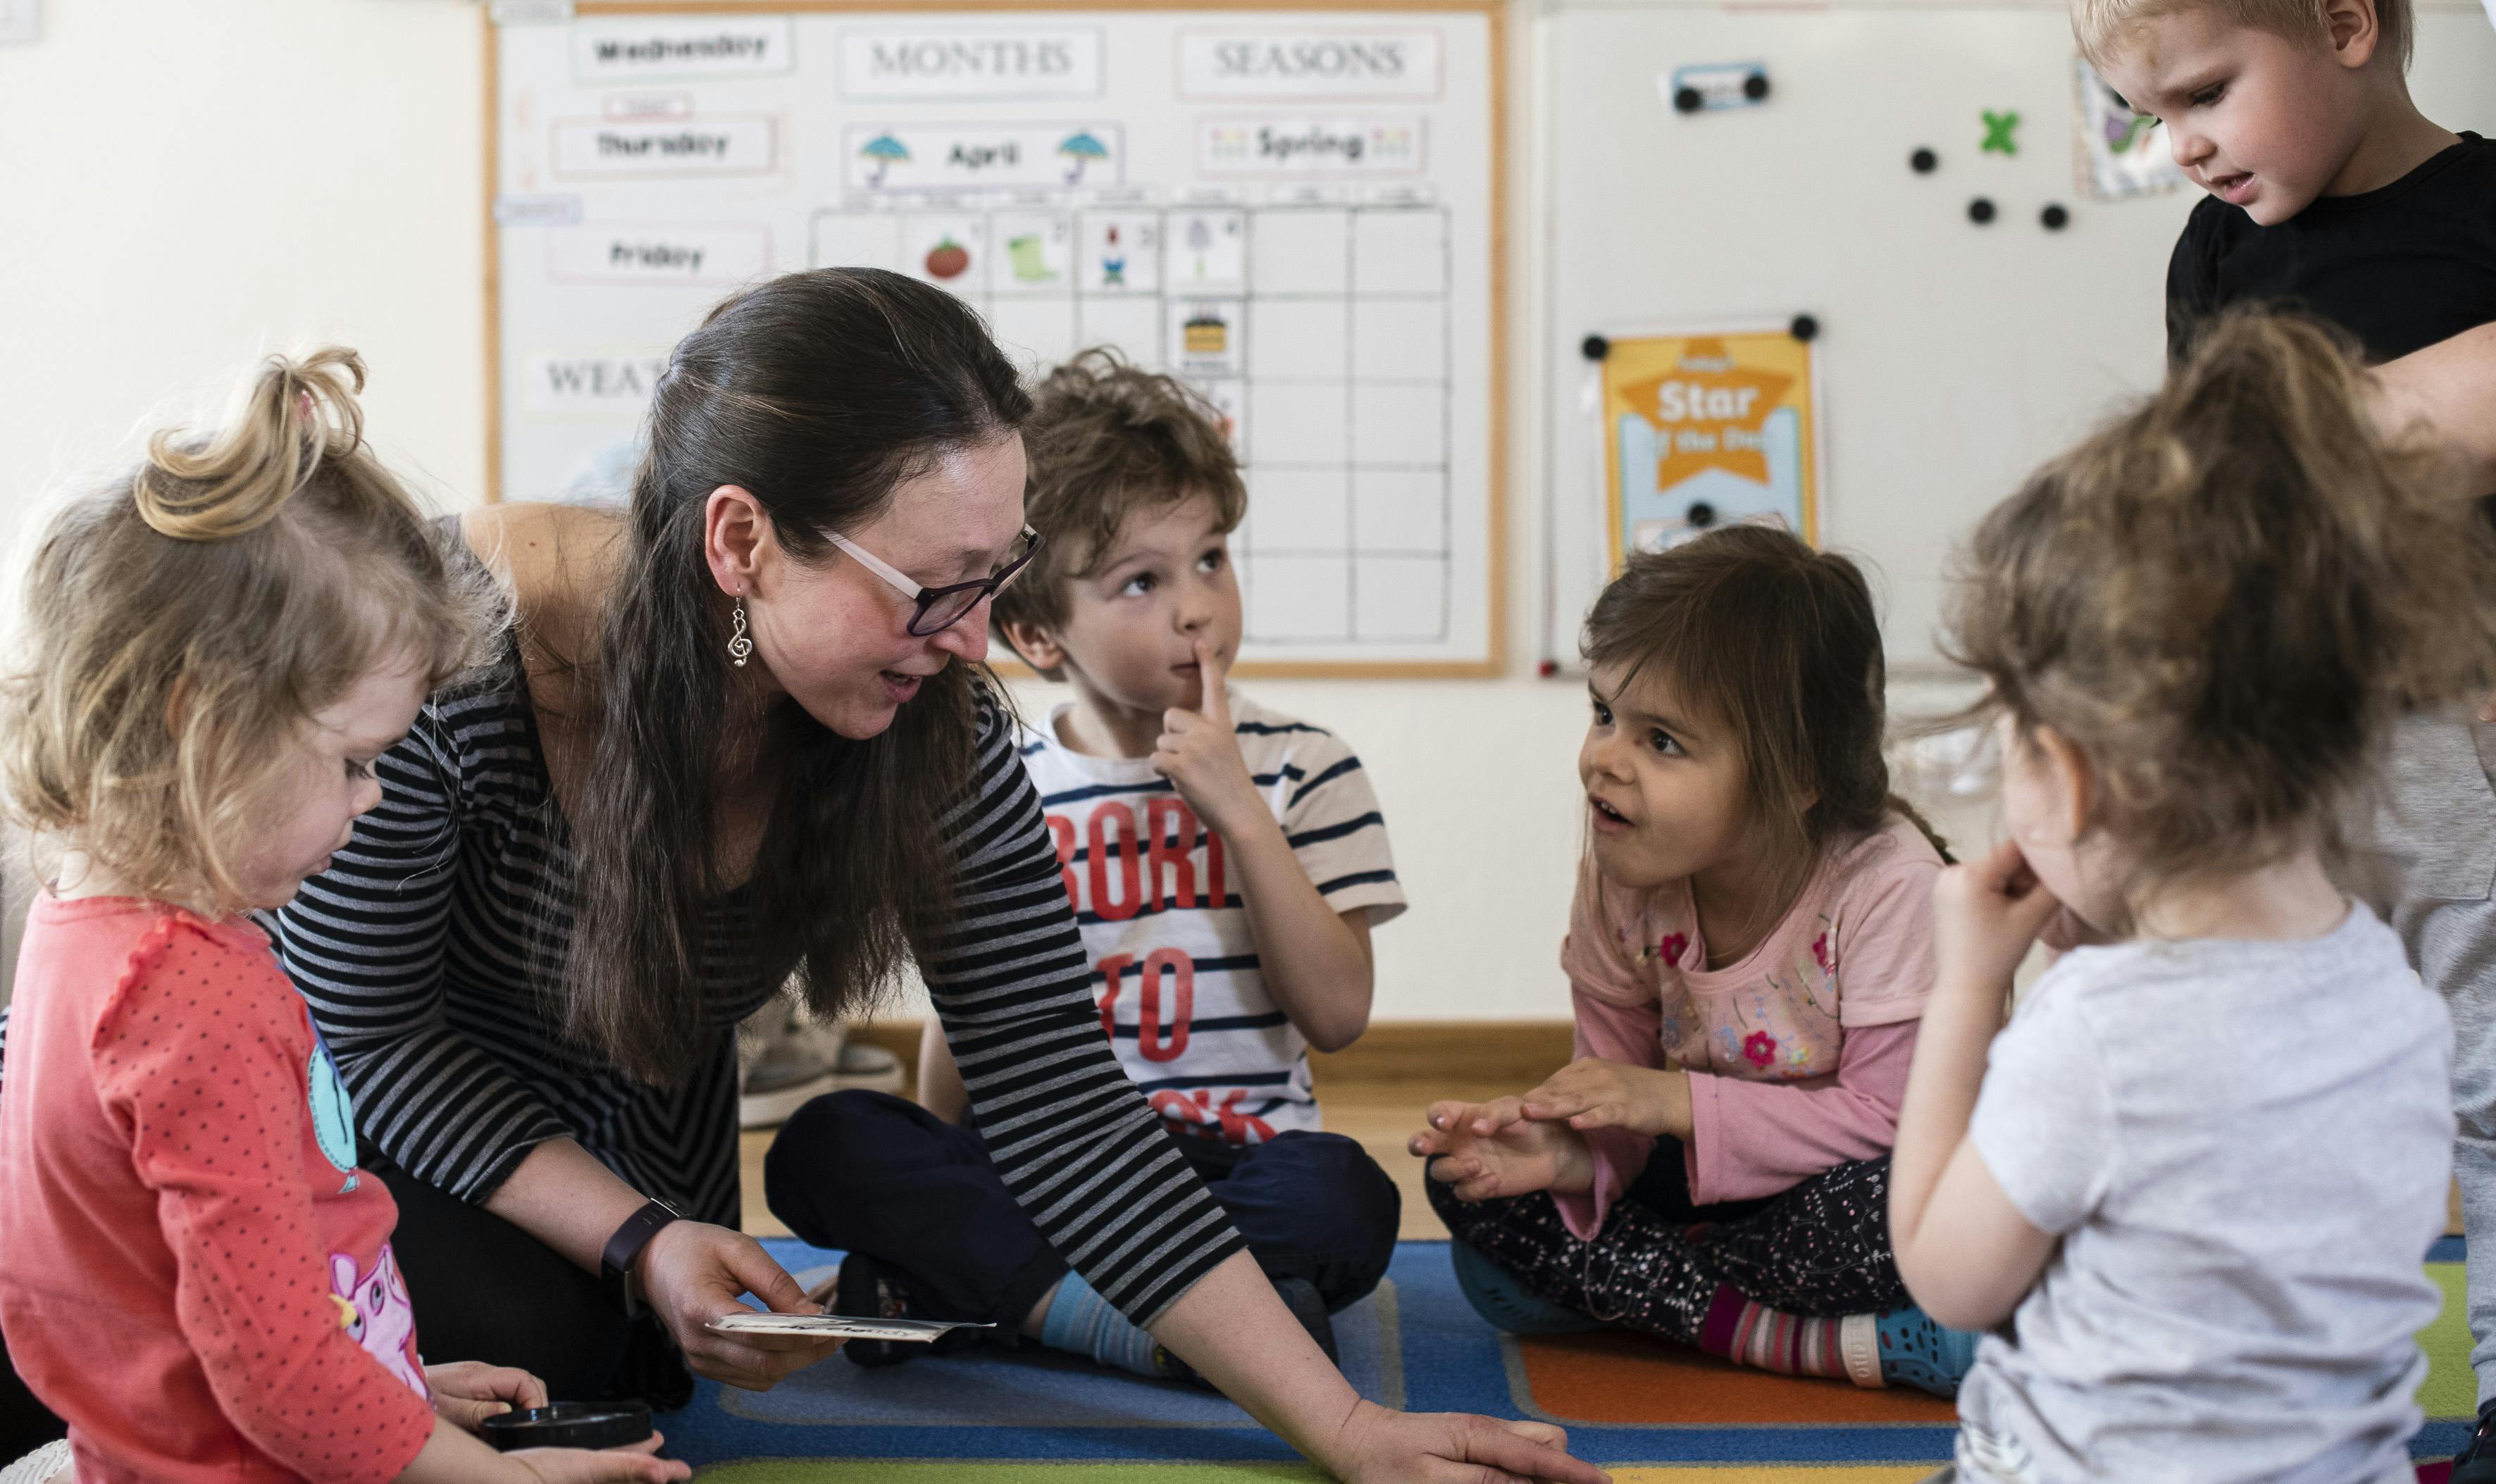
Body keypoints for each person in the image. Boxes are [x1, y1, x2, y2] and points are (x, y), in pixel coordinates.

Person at [270, 269, 1604, 1484]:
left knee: (628, 1376)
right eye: (928, 586)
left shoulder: (931, 719)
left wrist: (1352, 1429)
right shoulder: (452, 659)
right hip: (365, 1120)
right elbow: (370, 1035)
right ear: (741, 543)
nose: (972, 640)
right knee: (508, 1350)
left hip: (637, 1125)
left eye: (996, 575)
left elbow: (1059, 1101)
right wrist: (634, 1236)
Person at [0, 350, 685, 1482]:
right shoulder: (193, 994)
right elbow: (273, 1376)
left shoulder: (86, 925)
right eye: (357, 760)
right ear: (202, 722)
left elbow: (203, 1296)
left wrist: (403, 1383)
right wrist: (504, 1477)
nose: (374, 799)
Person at [1889, 311, 2490, 1483]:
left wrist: (1965, 988)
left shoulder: (2094, 1036)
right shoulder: (2398, 1000)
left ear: (2067, 773)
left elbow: (1947, 1272)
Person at [2075, 0, 2496, 1473]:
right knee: (2288, 1093)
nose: (2175, 138)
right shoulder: (2214, 256)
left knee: (2486, 1081)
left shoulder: (2485, 214)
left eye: (2201, 90)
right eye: (2141, 107)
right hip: (2289, 762)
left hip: (2456, 742)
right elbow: (2210, 522)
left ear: (2344, 20)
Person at [765, 353, 1403, 1383]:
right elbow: (971, 1027)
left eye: (1211, 559)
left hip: (1239, 1165)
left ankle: (994, 1295)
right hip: (1051, 1164)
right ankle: (1162, 1329)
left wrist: (1241, 814)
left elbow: (1334, 1015)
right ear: (1033, 629)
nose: (1197, 607)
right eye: (1141, 581)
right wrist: (936, 1153)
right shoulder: (996, 777)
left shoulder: (1304, 769)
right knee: (827, 1141)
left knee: (1344, 1197)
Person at [1408, 525, 1980, 1395]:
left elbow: (1900, 1125)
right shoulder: (1625, 868)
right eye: (1604, 714)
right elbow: (1609, 1086)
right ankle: (1779, 1329)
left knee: (1897, 1215)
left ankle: (1676, 1303)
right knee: (1472, 1193)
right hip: (1716, 1191)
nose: (1605, 759)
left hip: (1850, 1187)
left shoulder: (1891, 887)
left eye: (1662, 741)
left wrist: (1670, 1099)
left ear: (1796, 778)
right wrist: (1572, 1158)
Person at [2071, 0, 2496, 369]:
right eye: (2158, 119)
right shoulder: (2212, 246)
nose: (2184, 151)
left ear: (2341, 27)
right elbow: (2197, 447)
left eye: (2205, 95)